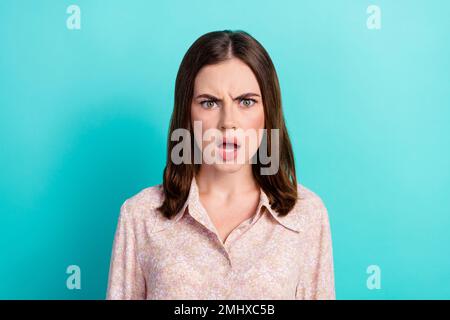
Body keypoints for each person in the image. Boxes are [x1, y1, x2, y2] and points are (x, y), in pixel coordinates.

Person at [106, 30, 335, 300]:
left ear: (268, 112)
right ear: (188, 114)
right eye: (210, 103)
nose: (228, 122)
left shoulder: (306, 215)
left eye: (246, 101)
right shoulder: (140, 216)